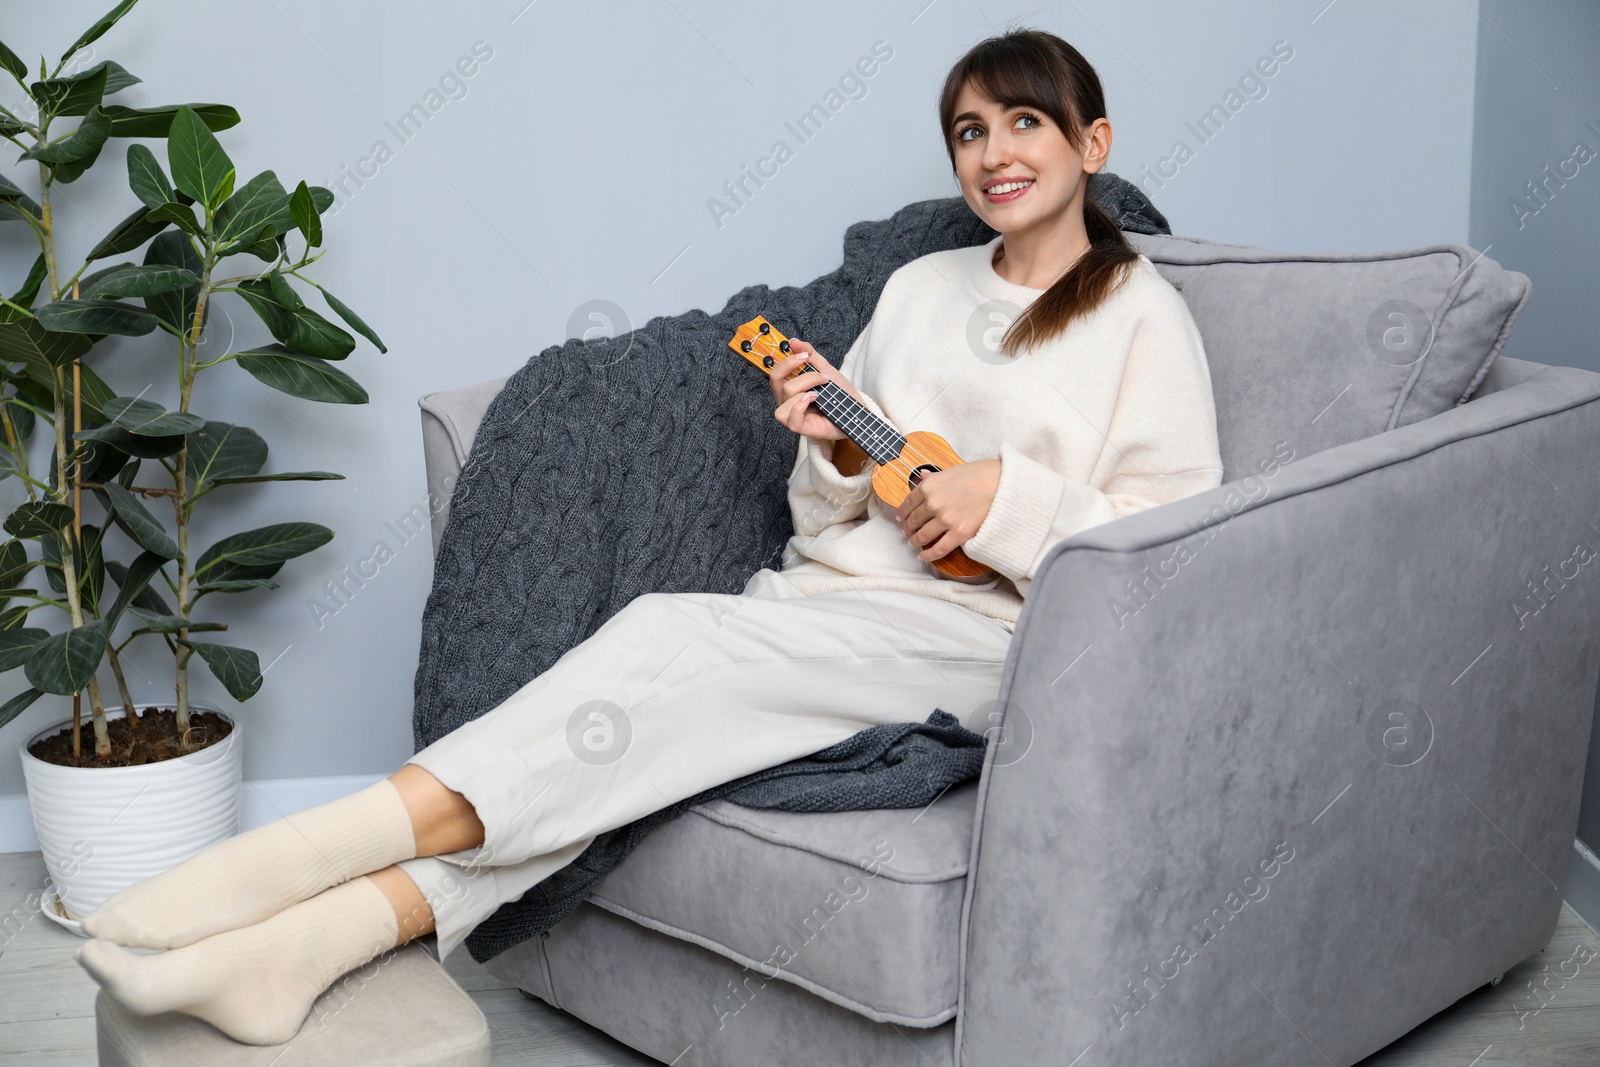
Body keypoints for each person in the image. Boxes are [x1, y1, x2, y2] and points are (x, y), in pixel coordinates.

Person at [74, 27, 1224, 1046]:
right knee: (630, 725)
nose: (994, 152)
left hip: (979, 634)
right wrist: (829, 452)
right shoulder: (919, 286)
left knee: (668, 638)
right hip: (825, 602)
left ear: (1092, 140)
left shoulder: (1141, 316)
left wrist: (1008, 498)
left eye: (1024, 121)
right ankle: (310, 944)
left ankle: (275, 863)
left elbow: (1173, 544)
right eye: (969, 131)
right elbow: (829, 510)